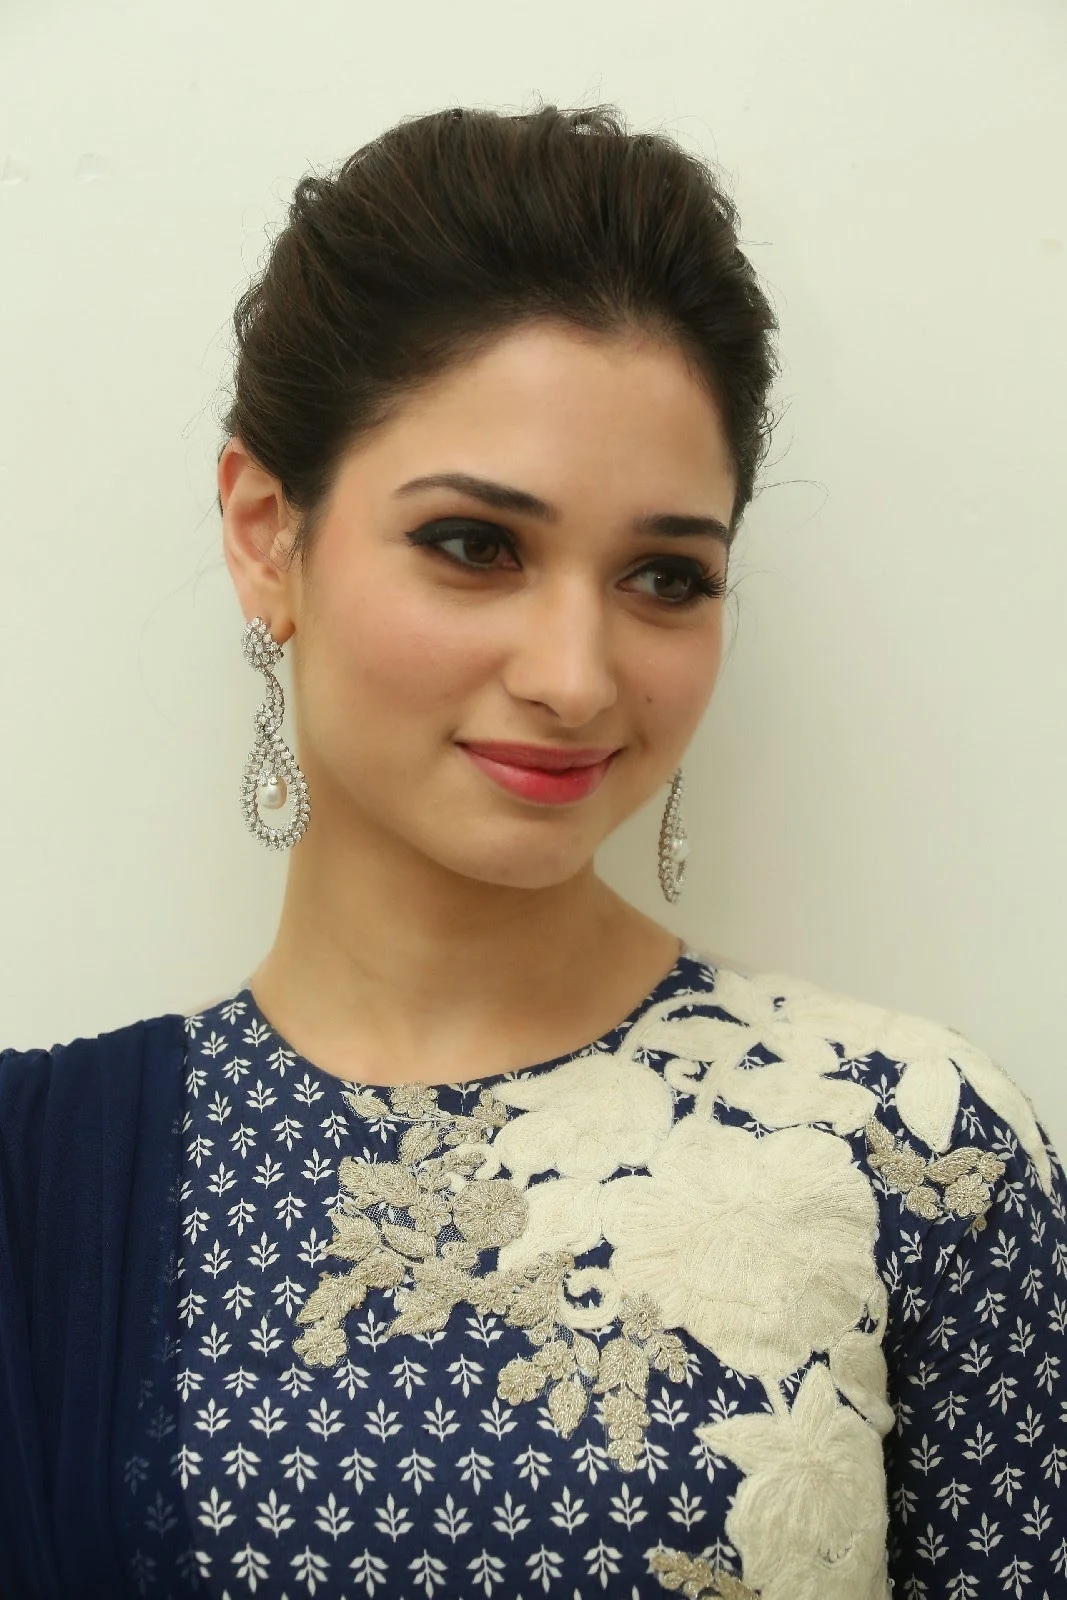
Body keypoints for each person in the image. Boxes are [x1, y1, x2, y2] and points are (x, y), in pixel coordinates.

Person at [1, 101, 1064, 1600]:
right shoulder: (41, 1183)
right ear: (265, 532)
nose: (575, 676)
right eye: (474, 545)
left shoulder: (914, 1148)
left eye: (664, 576)